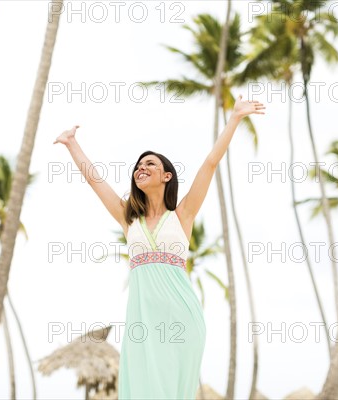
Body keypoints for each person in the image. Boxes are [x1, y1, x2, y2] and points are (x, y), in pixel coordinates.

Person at [53, 95, 265, 399]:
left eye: (149, 164)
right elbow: (95, 181)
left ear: (167, 175)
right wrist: (72, 144)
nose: (141, 168)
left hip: (182, 319)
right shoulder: (130, 220)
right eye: (138, 166)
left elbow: (210, 163)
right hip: (142, 325)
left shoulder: (183, 215)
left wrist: (234, 119)